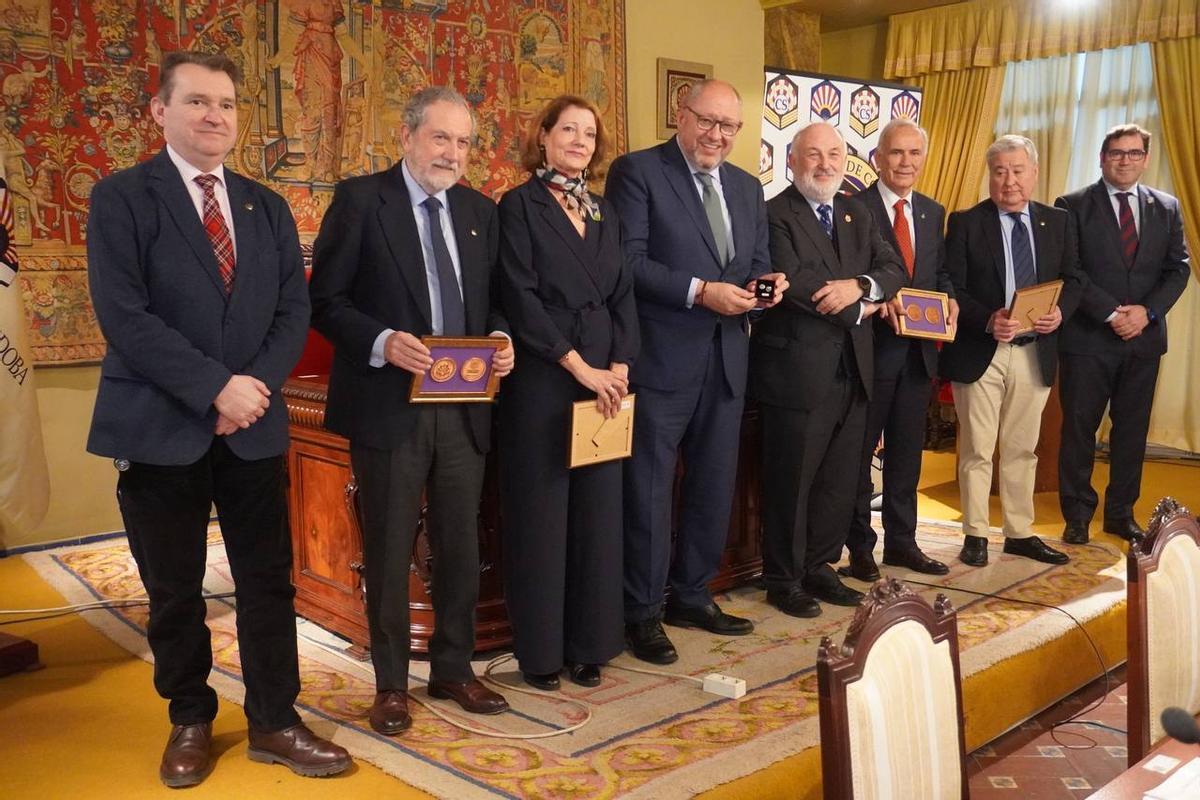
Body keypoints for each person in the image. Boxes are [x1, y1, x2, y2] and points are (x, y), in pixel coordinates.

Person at [85, 51, 349, 787]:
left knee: (269, 583)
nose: (215, 116)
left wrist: (250, 392)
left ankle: (275, 720)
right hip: (160, 423)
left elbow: (292, 311)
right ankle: (190, 717)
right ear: (159, 111)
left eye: (227, 104)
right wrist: (214, 390)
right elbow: (124, 316)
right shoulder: (121, 198)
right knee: (175, 588)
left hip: (253, 427)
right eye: (198, 101)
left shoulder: (266, 207)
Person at [308, 87, 513, 736]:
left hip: (464, 407)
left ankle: (453, 668)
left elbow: (497, 300)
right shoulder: (360, 201)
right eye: (440, 138)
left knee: (459, 546)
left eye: (463, 142)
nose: (453, 153)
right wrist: (381, 342)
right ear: (406, 136)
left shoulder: (481, 211)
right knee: (390, 548)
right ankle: (392, 684)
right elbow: (326, 301)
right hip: (387, 406)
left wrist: (502, 337)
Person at [606, 79, 786, 664]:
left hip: (728, 360)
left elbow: (756, 262)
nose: (716, 135)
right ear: (681, 115)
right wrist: (700, 291)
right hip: (660, 360)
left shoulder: (747, 187)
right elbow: (628, 262)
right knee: (649, 492)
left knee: (713, 484)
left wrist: (766, 288)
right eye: (706, 121)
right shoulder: (638, 172)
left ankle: (692, 595)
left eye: (728, 126)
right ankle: (641, 612)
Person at [496, 95, 639, 690]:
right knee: (543, 519)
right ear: (544, 137)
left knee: (598, 517)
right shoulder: (518, 206)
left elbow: (624, 293)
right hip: (545, 378)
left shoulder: (604, 211)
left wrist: (620, 366)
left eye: (589, 133)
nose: (580, 141)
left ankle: (590, 645)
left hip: (607, 382)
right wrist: (580, 368)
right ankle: (540, 655)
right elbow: (519, 296)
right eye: (569, 130)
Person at [751, 121, 908, 616]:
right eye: (814, 154)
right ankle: (783, 578)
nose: (825, 164)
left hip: (853, 369)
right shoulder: (773, 213)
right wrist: (861, 308)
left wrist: (860, 286)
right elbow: (795, 282)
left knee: (838, 481)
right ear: (791, 161)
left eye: (834, 154)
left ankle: (820, 566)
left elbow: (893, 268)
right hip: (796, 373)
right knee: (792, 483)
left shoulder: (856, 211)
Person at [939, 135, 1083, 567]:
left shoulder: (1058, 222)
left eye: (1017, 171)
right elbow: (951, 285)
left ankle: (1019, 532)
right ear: (990, 175)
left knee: (1023, 447)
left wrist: (1060, 313)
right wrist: (987, 319)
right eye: (999, 172)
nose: (1009, 181)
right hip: (981, 350)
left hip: (1034, 350)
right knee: (978, 449)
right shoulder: (965, 222)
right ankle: (975, 534)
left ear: (1034, 173)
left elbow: (1075, 278)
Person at [1055, 124, 1191, 544]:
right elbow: (1071, 270)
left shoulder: (1166, 206)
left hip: (1143, 340)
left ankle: (1120, 514)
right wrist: (1112, 313)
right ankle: (1077, 516)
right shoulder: (1072, 205)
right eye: (1116, 152)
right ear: (1102, 158)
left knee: (1131, 432)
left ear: (1145, 159)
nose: (1125, 160)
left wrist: (1145, 313)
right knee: (1079, 432)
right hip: (1087, 340)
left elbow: (1178, 268)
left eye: (1134, 153)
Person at [841, 119, 955, 582]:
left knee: (907, 456)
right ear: (877, 158)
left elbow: (938, 274)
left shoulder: (931, 211)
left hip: (918, 355)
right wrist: (877, 295)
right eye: (896, 153)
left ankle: (903, 543)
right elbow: (847, 273)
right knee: (858, 457)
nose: (905, 162)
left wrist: (950, 302)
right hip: (868, 354)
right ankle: (859, 547)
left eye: (914, 153)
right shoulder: (853, 208)